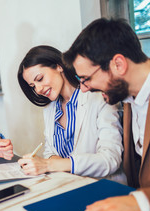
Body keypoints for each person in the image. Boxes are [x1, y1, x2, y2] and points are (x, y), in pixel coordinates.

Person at [63, 18, 150, 211]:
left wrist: (140, 204)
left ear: (118, 64)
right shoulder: (128, 97)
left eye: (86, 79)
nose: (83, 89)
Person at [17, 45, 125, 183]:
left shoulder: (99, 97)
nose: (38, 89)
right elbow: (50, 153)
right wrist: (50, 162)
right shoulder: (50, 108)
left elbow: (110, 160)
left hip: (103, 187)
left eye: (40, 79)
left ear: (59, 66)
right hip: (67, 185)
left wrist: (50, 164)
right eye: (32, 86)